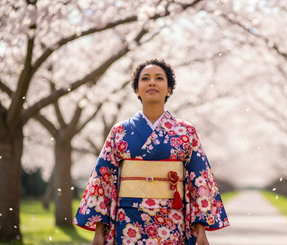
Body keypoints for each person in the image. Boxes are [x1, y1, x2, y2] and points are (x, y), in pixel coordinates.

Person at [73, 59, 229, 245]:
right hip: (129, 218)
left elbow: (200, 180)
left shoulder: (186, 132)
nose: (152, 82)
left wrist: (201, 230)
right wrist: (99, 231)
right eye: (145, 78)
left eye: (159, 78)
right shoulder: (119, 132)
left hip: (172, 219)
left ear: (169, 89)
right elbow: (102, 179)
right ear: (137, 90)